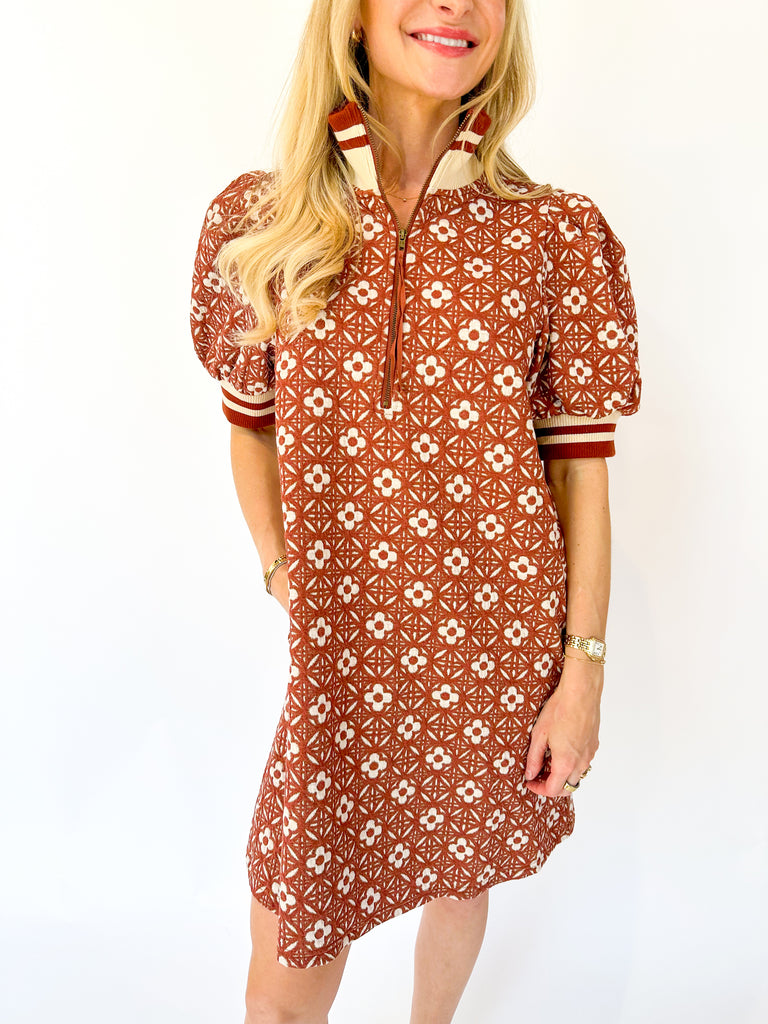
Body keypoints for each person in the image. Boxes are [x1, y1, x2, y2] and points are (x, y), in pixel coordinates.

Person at [189, 0, 642, 1020]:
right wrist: (282, 567)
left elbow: (581, 471)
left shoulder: (552, 235)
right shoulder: (265, 221)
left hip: (493, 646)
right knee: (291, 944)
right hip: (342, 660)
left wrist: (582, 673)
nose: (455, 5)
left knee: (461, 871)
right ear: (352, 17)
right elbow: (250, 426)